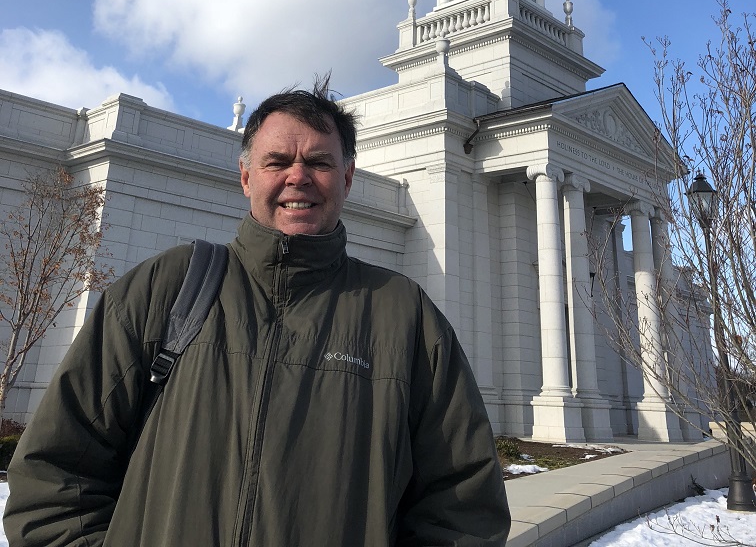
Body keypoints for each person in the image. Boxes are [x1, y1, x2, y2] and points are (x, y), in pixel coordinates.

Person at [6, 77, 510, 547]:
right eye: (277, 162)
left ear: (348, 178)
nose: (298, 176)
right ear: (246, 177)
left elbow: (465, 505)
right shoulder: (169, 287)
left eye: (319, 162)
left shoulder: (402, 315)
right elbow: (55, 475)